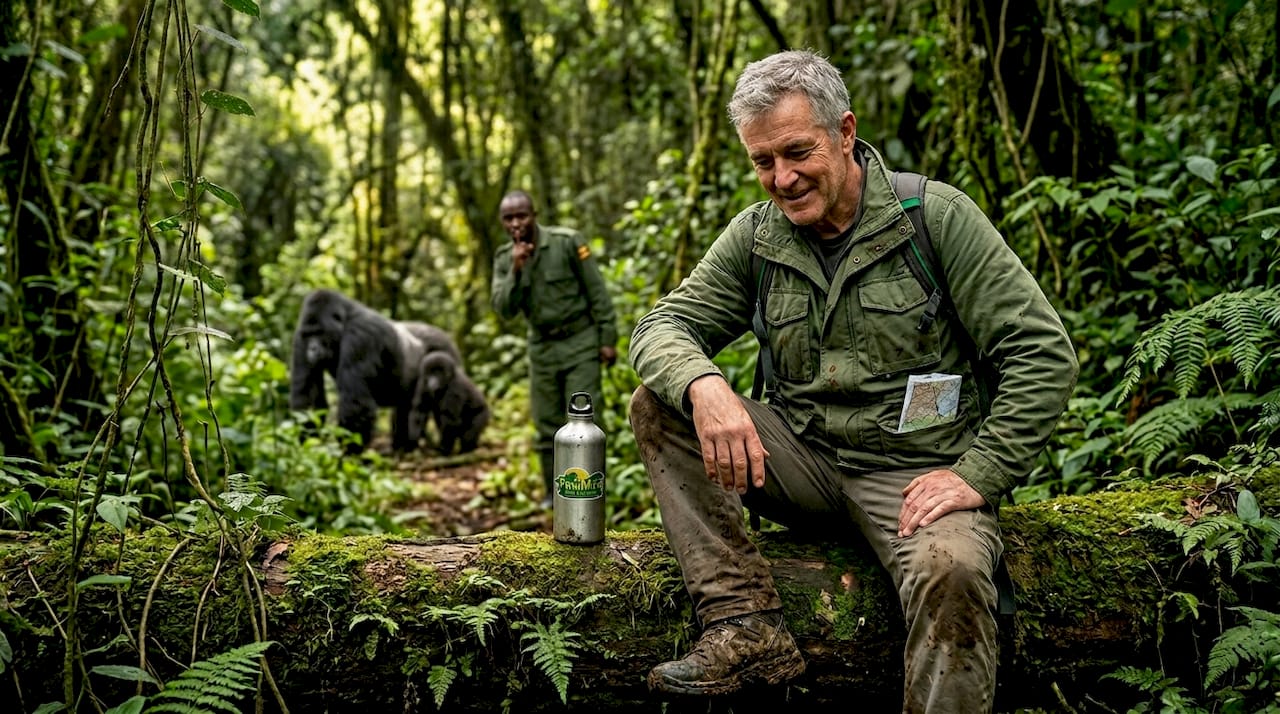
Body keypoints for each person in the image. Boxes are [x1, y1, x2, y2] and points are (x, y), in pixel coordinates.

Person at [628, 50, 1079, 711]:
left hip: (914, 475)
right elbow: (662, 327)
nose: (781, 179)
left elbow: (1043, 353)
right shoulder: (756, 238)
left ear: (844, 132)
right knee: (658, 404)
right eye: (762, 162)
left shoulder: (935, 217)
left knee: (950, 571)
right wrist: (704, 385)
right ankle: (745, 622)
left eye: (795, 152)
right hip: (802, 460)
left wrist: (977, 474)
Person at [491, 190, 619, 508]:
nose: (516, 223)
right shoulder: (504, 258)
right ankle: (555, 493)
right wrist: (516, 270)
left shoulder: (567, 242)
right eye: (509, 218)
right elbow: (503, 309)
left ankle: (593, 491)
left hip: (579, 342)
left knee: (584, 418)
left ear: (534, 215)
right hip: (542, 347)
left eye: (521, 215)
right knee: (546, 423)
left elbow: (597, 291)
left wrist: (607, 339)